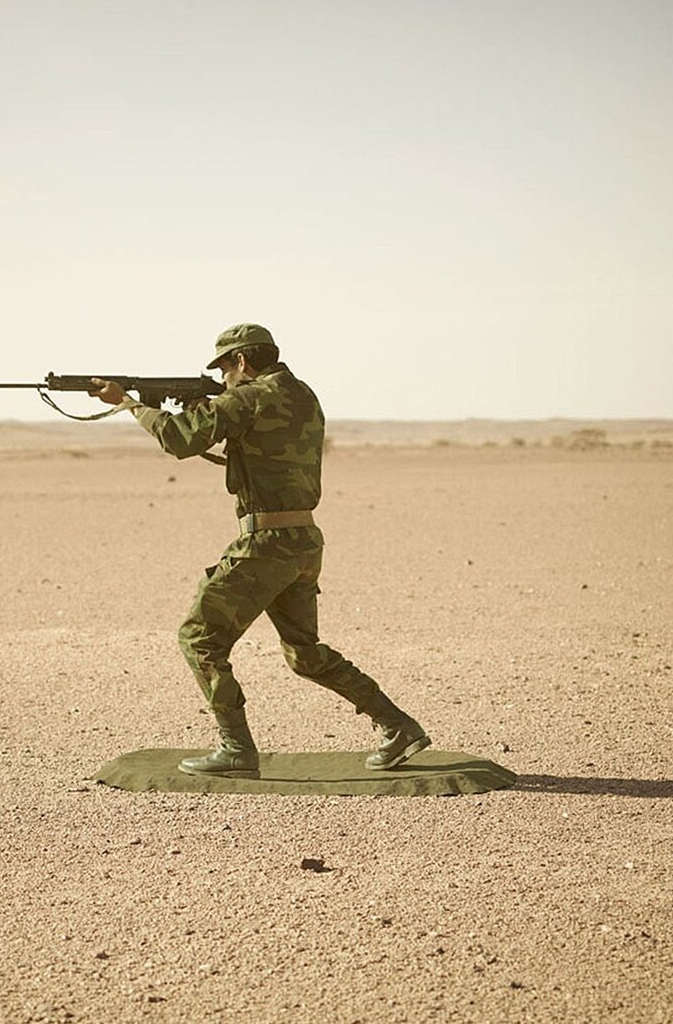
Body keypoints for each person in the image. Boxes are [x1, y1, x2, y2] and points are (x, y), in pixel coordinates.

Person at [89, 323, 429, 779]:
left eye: (227, 367)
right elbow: (261, 450)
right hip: (303, 540)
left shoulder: (246, 398)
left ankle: (236, 750)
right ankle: (399, 726)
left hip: (265, 543)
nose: (226, 377)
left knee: (199, 637)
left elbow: (179, 441)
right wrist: (203, 409)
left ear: (244, 362)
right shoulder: (303, 395)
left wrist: (131, 404)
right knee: (305, 654)